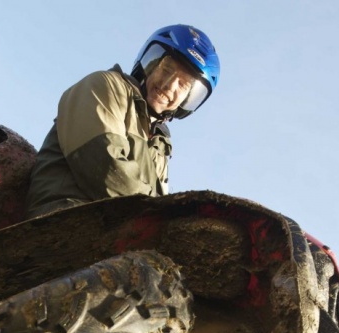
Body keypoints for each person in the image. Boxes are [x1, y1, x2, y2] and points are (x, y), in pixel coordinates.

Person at [25, 24, 220, 218]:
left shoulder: (160, 144)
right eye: (166, 69)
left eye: (183, 85)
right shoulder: (105, 86)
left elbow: (155, 203)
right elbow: (107, 170)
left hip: (117, 228)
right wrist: (164, 218)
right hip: (63, 216)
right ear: (150, 64)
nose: (169, 85)